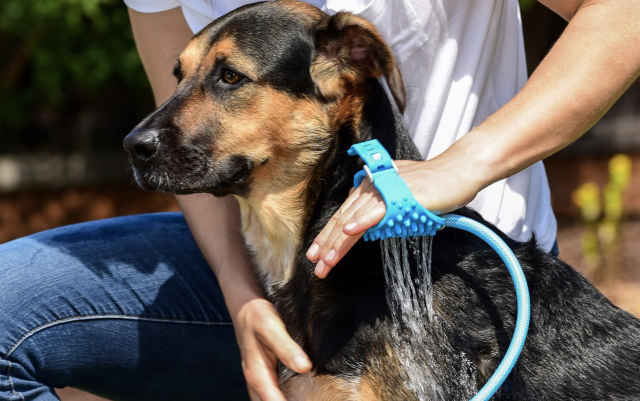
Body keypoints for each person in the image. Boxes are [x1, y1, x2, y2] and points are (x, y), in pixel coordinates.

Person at [0, 1, 638, 400]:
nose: (147, 131)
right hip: (256, 267)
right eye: (196, 75)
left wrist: (462, 164)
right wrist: (239, 291)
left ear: (346, 82)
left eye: (229, 79)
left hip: (453, 274)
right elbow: (187, 143)